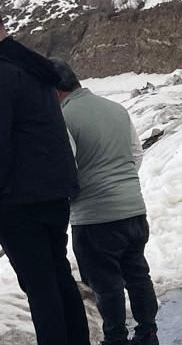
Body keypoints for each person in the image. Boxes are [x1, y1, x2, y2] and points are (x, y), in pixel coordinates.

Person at [50, 59, 159, 345]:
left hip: (95, 216)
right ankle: (148, 332)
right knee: (138, 274)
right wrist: (120, 184)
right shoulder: (116, 109)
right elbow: (135, 153)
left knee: (106, 284)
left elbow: (67, 167)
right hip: (133, 209)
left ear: (54, 90)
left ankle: (115, 338)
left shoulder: (63, 117)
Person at [0, 21, 90, 345]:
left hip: (20, 198)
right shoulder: (31, 65)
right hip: (52, 191)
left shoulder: (4, 71)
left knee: (40, 287)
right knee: (57, 278)